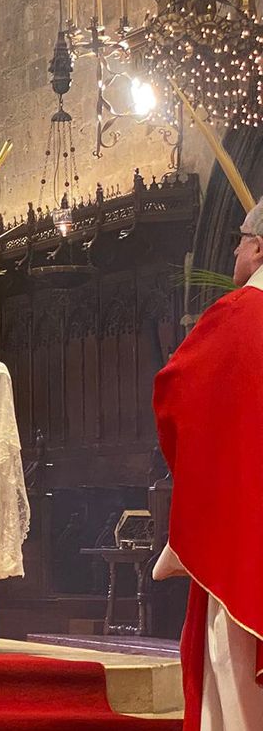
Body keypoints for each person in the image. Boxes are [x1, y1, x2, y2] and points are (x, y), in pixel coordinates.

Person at [152, 199, 263, 730]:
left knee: (235, 670)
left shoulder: (238, 316)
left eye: (241, 238)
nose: (235, 248)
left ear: (260, 247)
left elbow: (175, 394)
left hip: (245, 537)